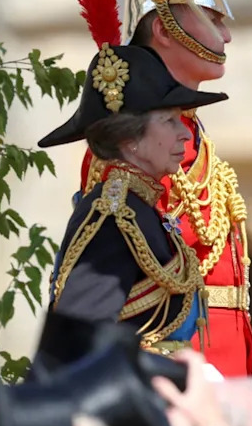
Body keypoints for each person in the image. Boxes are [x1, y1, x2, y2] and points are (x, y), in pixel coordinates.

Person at [76, 0, 252, 377]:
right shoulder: (127, 137)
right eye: (213, 18)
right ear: (164, 26)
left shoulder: (193, 132)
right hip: (175, 367)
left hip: (222, 362)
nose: (225, 35)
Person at [34, 38, 227, 369]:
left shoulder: (141, 208)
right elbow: (76, 344)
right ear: (129, 139)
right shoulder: (114, 217)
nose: (183, 133)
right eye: (168, 121)